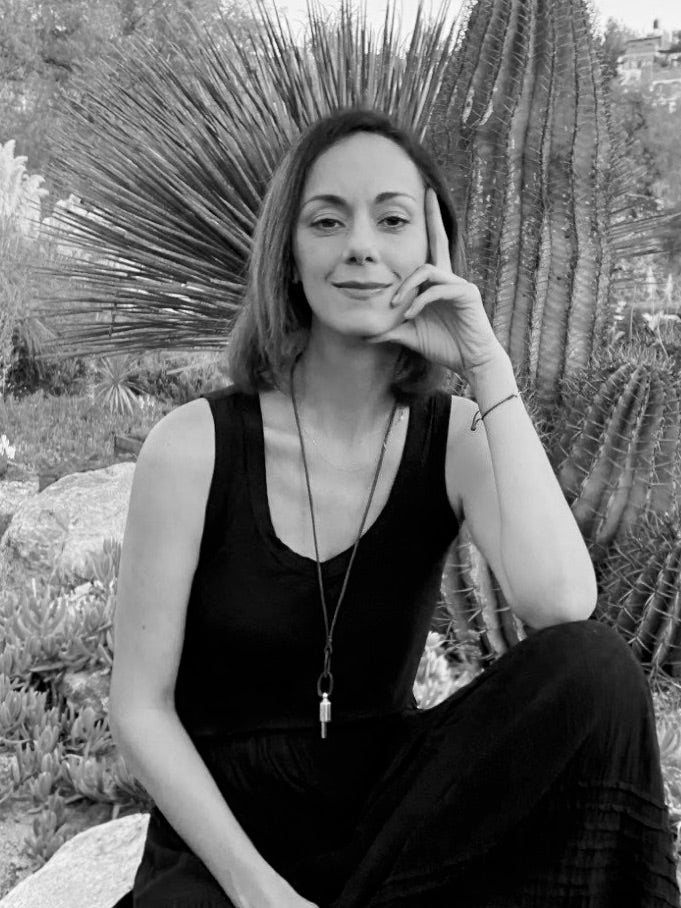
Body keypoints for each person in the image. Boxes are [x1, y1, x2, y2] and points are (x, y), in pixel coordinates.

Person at [109, 107, 680, 908]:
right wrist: (257, 891)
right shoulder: (194, 447)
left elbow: (563, 606)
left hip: (389, 822)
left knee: (597, 672)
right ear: (288, 255)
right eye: (327, 220)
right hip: (225, 845)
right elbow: (139, 706)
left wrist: (484, 364)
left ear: (430, 249)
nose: (361, 247)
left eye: (392, 219)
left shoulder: (451, 439)